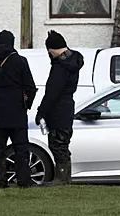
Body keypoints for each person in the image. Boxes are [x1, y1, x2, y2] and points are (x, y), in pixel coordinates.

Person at [0, 30, 37, 188]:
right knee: (21, 148)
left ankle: (0, 180)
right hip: (17, 112)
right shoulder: (20, 61)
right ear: (12, 42)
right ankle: (24, 180)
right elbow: (30, 87)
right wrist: (26, 105)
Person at [35, 30, 84, 185]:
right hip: (67, 108)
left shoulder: (60, 67)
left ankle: (62, 178)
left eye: (49, 50)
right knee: (63, 143)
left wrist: (41, 111)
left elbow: (52, 92)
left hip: (57, 111)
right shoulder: (72, 62)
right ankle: (65, 177)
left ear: (53, 48)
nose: (48, 53)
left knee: (57, 144)